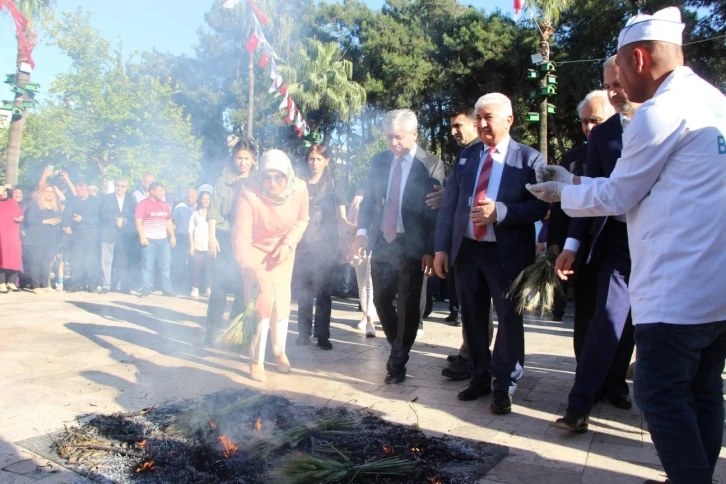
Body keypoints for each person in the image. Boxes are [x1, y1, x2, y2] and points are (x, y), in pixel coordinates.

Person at [527, 7, 726, 483]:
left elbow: (618, 194)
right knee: (702, 392)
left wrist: (562, 193)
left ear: (637, 58)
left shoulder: (660, 111)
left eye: (617, 68)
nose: (616, 81)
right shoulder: (714, 100)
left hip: (674, 288)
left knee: (657, 393)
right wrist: (575, 179)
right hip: (715, 287)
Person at [434, 93, 548, 414]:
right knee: (471, 317)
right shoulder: (467, 157)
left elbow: (540, 206)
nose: (482, 124)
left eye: (489, 118)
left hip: (507, 253)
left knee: (509, 319)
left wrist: (502, 211)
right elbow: (451, 207)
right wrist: (442, 248)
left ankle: (503, 385)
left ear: (508, 120)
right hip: (468, 252)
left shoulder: (529, 160)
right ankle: (479, 376)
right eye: (479, 117)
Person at [551, 64, 640, 434]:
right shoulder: (603, 136)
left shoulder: (671, 123)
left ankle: (620, 385)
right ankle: (579, 406)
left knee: (641, 329)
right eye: (608, 86)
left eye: (618, 84)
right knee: (604, 320)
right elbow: (591, 194)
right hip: (619, 245)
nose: (614, 92)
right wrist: (571, 244)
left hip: (665, 244)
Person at [353, 109, 445, 385]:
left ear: (414, 134)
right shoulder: (379, 161)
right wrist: (361, 232)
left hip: (412, 244)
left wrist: (430, 248)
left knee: (408, 305)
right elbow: (369, 200)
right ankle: (399, 346)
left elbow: (434, 212)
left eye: (399, 137)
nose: (393, 143)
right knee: (380, 299)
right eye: (389, 138)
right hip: (383, 240)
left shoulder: (430, 164)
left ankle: (397, 361)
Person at [232, 150, 309, 382]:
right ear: (260, 176)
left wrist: (287, 245)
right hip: (256, 252)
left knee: (281, 302)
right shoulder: (248, 195)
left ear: (287, 175)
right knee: (261, 304)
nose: (273, 182)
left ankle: (279, 351)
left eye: (279, 177)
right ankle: (255, 360)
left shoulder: (301, 188)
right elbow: (241, 237)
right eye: (267, 177)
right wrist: (248, 268)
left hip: (284, 252)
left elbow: (302, 219)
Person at [547, 91, 614, 322]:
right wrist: (557, 242)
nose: (589, 127)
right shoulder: (573, 159)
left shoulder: (628, 153)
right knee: (585, 318)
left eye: (596, 120)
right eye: (585, 121)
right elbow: (559, 209)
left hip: (618, 249)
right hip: (581, 250)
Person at [441, 108, 495, 382]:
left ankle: (473, 356)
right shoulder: (465, 155)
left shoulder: (489, 152)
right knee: (468, 304)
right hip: (464, 244)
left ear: (474, 125)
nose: (453, 132)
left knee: (478, 307)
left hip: (492, 245)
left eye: (458, 125)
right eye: (451, 127)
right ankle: (470, 352)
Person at [295, 145, 348, 350]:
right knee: (304, 290)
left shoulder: (335, 185)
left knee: (324, 292)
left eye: (318, 159)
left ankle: (323, 335)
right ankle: (303, 333)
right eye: (311, 159)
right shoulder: (300, 184)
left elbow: (341, 217)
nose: (314, 163)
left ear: (327, 162)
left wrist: (348, 235)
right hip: (303, 244)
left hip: (326, 245)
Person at [205, 140, 256, 345]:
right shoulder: (223, 181)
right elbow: (213, 211)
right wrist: (211, 237)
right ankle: (212, 332)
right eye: (238, 158)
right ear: (233, 159)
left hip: (247, 242)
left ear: (253, 160)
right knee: (219, 288)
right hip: (224, 239)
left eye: (246, 158)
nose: (242, 162)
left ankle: (234, 332)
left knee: (241, 287)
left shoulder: (258, 183)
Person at [135, 181, 176, 297]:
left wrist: (172, 236)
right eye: (159, 191)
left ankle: (167, 290)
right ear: (152, 191)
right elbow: (138, 221)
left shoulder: (164, 205)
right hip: (149, 240)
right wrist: (142, 237)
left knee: (165, 266)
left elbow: (168, 221)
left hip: (163, 241)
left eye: (162, 191)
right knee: (147, 266)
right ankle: (145, 289)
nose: (162, 193)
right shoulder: (143, 204)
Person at [347, 187, 377, 337]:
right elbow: (349, 222)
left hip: (375, 244)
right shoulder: (358, 199)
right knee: (362, 282)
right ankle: (365, 314)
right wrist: (352, 240)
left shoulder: (381, 196)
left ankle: (370, 318)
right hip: (358, 244)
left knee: (371, 282)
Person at [62, 181, 101, 292]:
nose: (77, 193)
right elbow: (66, 215)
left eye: (79, 191)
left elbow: (98, 219)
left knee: (90, 260)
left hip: (91, 235)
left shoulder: (96, 201)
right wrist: (67, 225)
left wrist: (82, 219)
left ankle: (91, 283)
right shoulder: (73, 201)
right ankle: (76, 283)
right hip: (76, 236)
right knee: (75, 260)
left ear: (85, 189)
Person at [99, 177, 136, 293]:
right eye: (117, 185)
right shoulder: (106, 198)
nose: (119, 188)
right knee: (106, 260)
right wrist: (115, 221)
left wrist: (124, 221)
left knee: (122, 260)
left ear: (127, 187)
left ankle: (119, 285)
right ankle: (106, 285)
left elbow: (133, 216)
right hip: (109, 232)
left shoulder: (131, 199)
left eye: (122, 186)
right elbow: (102, 214)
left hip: (124, 235)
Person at [23, 185, 62, 293]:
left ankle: (45, 284)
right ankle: (35, 285)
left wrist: (58, 221)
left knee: (47, 261)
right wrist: (46, 221)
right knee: (36, 261)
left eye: (51, 191)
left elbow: (60, 216)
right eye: (47, 191)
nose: (49, 193)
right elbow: (29, 220)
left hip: (51, 238)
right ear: (42, 193)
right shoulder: (35, 204)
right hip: (36, 237)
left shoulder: (56, 206)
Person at [172, 188, 198, 292]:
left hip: (194, 239)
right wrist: (172, 236)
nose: (190, 199)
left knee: (192, 263)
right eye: (188, 196)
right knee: (180, 263)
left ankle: (189, 287)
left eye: (192, 197)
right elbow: (173, 224)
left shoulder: (199, 209)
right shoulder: (179, 208)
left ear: (196, 197)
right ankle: (178, 286)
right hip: (181, 238)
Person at [0, 184, 24, 293]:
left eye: (5, 190)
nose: (3, 192)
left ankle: (11, 281)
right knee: (2, 257)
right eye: (2, 190)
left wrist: (20, 218)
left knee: (14, 256)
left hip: (13, 234)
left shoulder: (12, 202)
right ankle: (1, 283)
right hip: (2, 235)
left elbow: (20, 214)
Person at [188, 191, 212, 298]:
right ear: (200, 200)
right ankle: (195, 288)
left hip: (209, 245)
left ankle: (208, 288)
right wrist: (191, 245)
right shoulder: (195, 213)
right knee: (197, 268)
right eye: (204, 198)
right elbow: (190, 230)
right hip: (198, 245)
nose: (206, 201)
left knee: (209, 268)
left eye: (208, 199)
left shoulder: (212, 213)